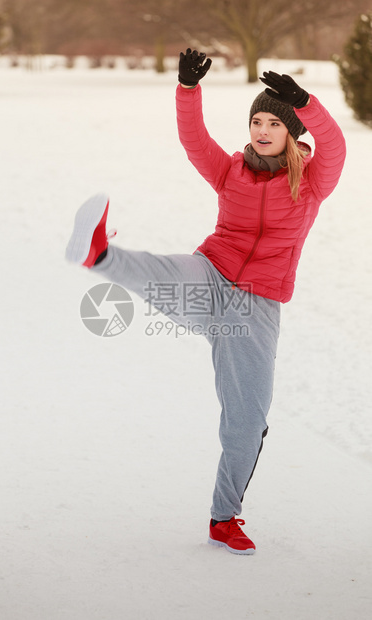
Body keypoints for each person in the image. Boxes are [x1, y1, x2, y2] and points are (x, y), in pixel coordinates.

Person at [65, 49, 346, 555]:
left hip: (256, 307)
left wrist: (305, 102)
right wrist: (187, 91)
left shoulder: (311, 182)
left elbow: (335, 143)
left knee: (247, 419)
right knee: (166, 272)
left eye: (271, 123)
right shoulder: (230, 171)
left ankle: (224, 516)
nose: (261, 130)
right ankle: (100, 255)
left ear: (290, 131)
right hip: (212, 272)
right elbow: (194, 142)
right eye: (255, 120)